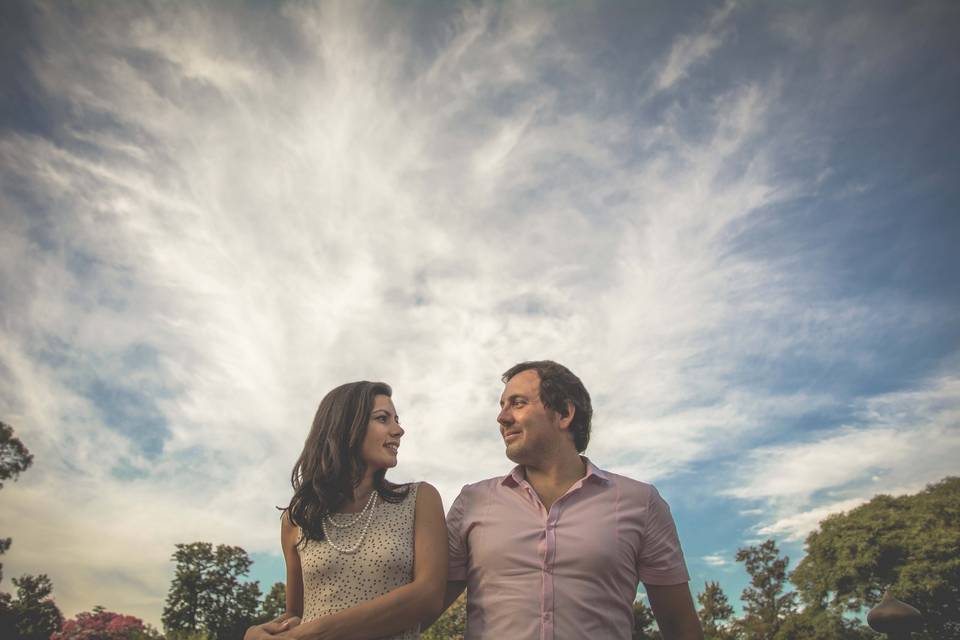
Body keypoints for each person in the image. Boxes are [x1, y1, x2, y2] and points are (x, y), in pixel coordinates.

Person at [438, 361, 704, 639]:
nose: (502, 418)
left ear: (564, 413)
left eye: (517, 403)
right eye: (502, 405)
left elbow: (681, 627)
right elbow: (422, 608)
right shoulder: (473, 501)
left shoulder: (641, 502)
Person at [246, 381, 447, 640]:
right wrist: (255, 634)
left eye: (396, 420)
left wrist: (318, 631)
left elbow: (428, 595)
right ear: (345, 426)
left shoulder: (419, 499)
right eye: (383, 419)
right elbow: (296, 616)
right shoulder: (297, 518)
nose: (399, 430)